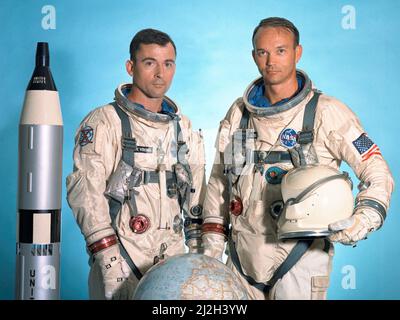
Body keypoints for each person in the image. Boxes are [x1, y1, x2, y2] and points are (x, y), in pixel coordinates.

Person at [201, 17, 394, 300]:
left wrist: (363, 220)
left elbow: (376, 167)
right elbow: (219, 180)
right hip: (242, 258)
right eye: (262, 52)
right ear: (254, 55)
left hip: (300, 259)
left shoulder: (327, 112)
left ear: (297, 52)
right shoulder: (240, 114)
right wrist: (210, 248)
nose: (271, 61)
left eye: (280, 50)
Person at [66, 29, 206, 300]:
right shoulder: (106, 121)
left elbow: (196, 190)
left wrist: (200, 252)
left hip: (173, 264)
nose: (160, 73)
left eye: (168, 64)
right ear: (131, 67)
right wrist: (107, 258)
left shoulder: (183, 129)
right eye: (149, 62)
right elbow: (86, 191)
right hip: (121, 258)